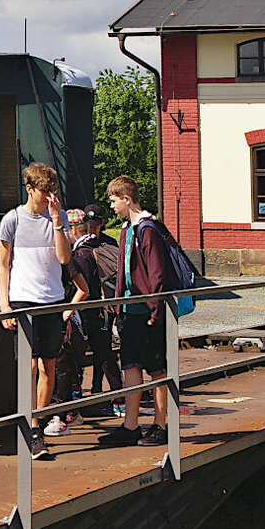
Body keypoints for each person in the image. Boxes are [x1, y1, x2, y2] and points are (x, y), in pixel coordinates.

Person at [0, 162, 72, 459]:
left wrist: (56, 222)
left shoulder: (60, 216)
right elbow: (3, 264)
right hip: (23, 299)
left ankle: (37, 424)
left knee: (48, 366)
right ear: (30, 189)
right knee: (27, 365)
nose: (49, 196)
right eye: (45, 191)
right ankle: (26, 424)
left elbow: (64, 259)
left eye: (53, 191)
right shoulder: (12, 219)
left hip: (52, 299)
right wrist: (4, 304)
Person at [97, 175, 171, 448]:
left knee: (156, 367)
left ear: (127, 199)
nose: (112, 206)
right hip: (128, 309)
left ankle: (160, 424)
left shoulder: (147, 228)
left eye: (115, 201)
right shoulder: (128, 229)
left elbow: (156, 272)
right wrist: (117, 303)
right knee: (130, 364)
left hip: (146, 310)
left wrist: (155, 308)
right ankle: (131, 424)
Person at [71, 205, 125, 417]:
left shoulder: (80, 253)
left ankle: (75, 399)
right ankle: (118, 400)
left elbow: (80, 286)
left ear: (75, 230)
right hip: (104, 308)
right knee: (105, 354)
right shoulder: (106, 245)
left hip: (86, 310)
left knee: (75, 354)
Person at [43, 210, 91, 437]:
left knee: (61, 367)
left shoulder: (66, 260)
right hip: (61, 317)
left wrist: (66, 311)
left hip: (64, 319)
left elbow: (83, 289)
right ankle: (72, 412)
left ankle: (60, 416)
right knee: (67, 368)